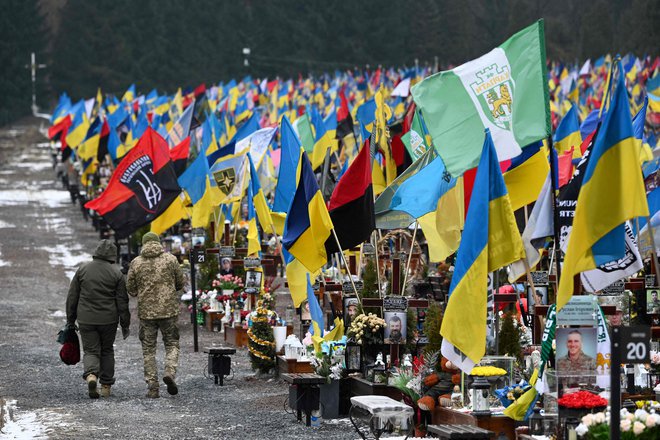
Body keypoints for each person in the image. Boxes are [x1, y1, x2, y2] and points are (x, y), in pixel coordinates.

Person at [66, 240, 130, 399]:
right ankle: (106, 386)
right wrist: (125, 324)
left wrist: (70, 319)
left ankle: (91, 376)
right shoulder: (116, 273)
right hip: (108, 319)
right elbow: (122, 301)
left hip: (86, 318)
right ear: (112, 255)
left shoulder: (83, 269)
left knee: (90, 350)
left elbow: (72, 296)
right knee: (107, 350)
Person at [127, 232, 184, 398]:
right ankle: (169, 372)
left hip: (147, 313)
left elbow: (130, 289)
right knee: (172, 343)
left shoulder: (136, 263)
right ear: (158, 243)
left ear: (144, 244)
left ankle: (152, 387)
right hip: (169, 311)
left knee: (148, 350)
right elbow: (180, 282)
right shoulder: (170, 259)